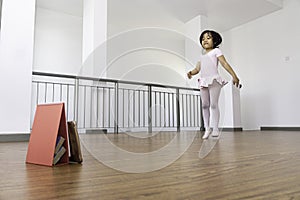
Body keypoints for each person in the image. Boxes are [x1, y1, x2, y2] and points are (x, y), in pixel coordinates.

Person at [187, 30, 240, 139]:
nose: (205, 40)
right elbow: (197, 68)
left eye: (208, 38)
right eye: (203, 39)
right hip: (203, 81)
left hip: (214, 80)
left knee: (214, 104)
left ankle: (215, 128)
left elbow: (224, 63)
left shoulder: (216, 51)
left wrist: (234, 76)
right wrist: (191, 73)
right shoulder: (201, 56)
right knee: (204, 105)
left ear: (214, 41)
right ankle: (207, 129)